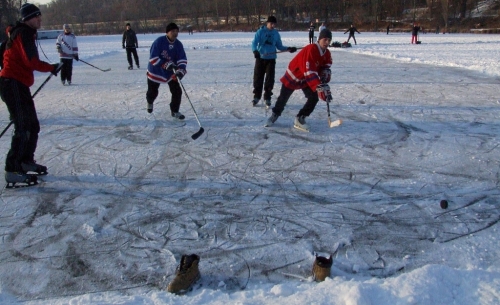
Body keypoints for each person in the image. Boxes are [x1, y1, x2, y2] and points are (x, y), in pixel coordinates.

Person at [0, 3, 60, 187]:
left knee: (32, 125)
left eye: (40, 16)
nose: (39, 19)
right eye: (36, 16)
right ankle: (13, 169)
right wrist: (51, 67)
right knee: (24, 126)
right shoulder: (23, 33)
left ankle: (25, 160)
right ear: (28, 19)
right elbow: (31, 60)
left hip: (17, 84)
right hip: (12, 84)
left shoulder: (21, 32)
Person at [265, 29, 333, 132]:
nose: (327, 42)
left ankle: (300, 118)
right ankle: (275, 114)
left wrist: (325, 74)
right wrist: (319, 87)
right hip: (294, 75)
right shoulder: (311, 49)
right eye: (325, 39)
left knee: (313, 98)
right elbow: (310, 71)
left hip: (306, 78)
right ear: (319, 40)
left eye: (329, 40)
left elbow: (325, 66)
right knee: (283, 98)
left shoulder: (326, 53)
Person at [251, 16, 296, 108]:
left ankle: (267, 97)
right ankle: (256, 96)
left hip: (271, 59)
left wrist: (288, 49)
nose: (273, 25)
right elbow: (254, 43)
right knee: (258, 78)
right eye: (271, 23)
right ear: (267, 23)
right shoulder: (261, 32)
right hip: (261, 58)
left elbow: (279, 46)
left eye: (274, 24)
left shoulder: (276, 33)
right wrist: (255, 51)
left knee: (269, 79)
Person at [146, 23, 187, 120]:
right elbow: (153, 58)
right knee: (153, 92)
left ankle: (175, 111)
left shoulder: (178, 44)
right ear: (167, 32)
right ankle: (149, 101)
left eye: (177, 31)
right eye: (173, 31)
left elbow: (182, 59)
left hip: (170, 73)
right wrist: (164, 64)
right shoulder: (159, 42)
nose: (175, 33)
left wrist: (181, 70)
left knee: (177, 91)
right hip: (155, 71)